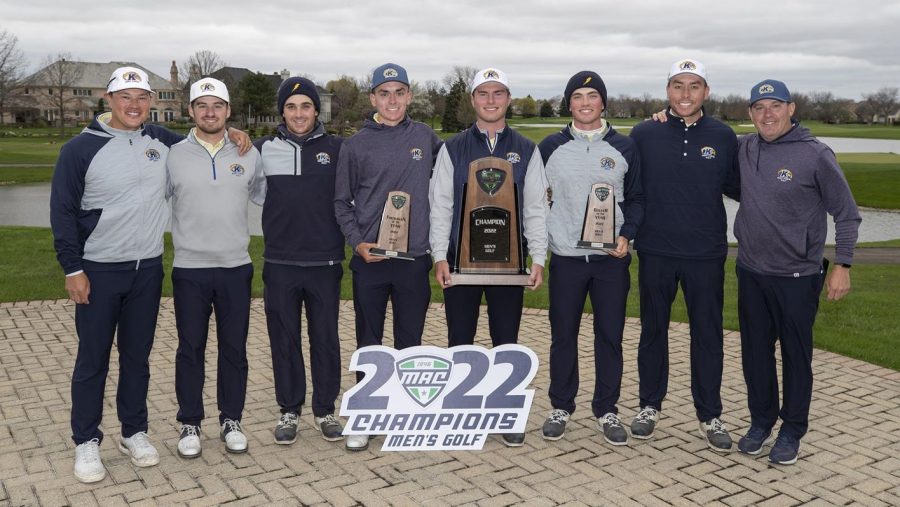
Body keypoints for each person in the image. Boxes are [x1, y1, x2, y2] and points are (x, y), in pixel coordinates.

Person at [50, 66, 250, 483]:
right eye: (126, 97)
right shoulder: (79, 149)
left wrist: (236, 136)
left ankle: (133, 431)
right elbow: (63, 212)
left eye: (142, 97)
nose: (134, 105)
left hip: (147, 269)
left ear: (152, 103)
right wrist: (72, 267)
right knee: (93, 359)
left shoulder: (161, 141)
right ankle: (86, 440)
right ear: (109, 100)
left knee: (137, 358)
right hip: (99, 269)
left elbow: (205, 140)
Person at [735, 79, 860, 465]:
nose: (767, 114)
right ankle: (761, 422)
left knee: (795, 356)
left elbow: (847, 214)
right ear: (750, 114)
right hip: (751, 271)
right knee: (755, 354)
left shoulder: (815, 155)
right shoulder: (745, 147)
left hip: (797, 276)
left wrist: (842, 265)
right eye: (759, 108)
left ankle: (792, 430)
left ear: (791, 109)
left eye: (775, 106)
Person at [429, 67, 548, 447]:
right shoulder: (453, 147)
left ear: (508, 99)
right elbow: (440, 206)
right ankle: (460, 412)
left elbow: (535, 209)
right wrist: (439, 256)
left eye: (498, 93)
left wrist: (539, 257)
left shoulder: (528, 149)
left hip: (508, 267)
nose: (491, 100)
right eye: (483, 93)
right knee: (460, 339)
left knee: (506, 340)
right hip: (461, 265)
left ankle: (505, 412)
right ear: (473, 100)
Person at [628, 59, 741, 452]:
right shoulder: (644, 133)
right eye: (678, 86)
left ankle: (710, 414)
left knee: (707, 335)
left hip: (705, 253)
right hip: (656, 249)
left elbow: (743, 188)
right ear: (667, 90)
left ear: (706, 92)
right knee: (652, 332)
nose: (686, 94)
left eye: (694, 86)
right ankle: (648, 406)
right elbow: (627, 187)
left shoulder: (725, 136)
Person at [334, 63, 442, 451]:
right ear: (373, 98)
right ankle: (366, 412)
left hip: (413, 258)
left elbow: (449, 185)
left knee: (410, 340)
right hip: (371, 259)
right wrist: (357, 242)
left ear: (410, 96)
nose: (392, 100)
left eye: (399, 92)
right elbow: (342, 202)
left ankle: (404, 411)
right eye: (384, 92)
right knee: (369, 340)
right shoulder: (355, 145)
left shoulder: (427, 138)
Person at [538, 71, 644, 446]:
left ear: (603, 102)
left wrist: (626, 234)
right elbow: (536, 201)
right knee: (563, 335)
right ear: (569, 103)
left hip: (610, 261)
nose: (585, 103)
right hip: (567, 258)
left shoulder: (624, 147)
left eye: (592, 96)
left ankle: (607, 408)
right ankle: (561, 406)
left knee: (609, 335)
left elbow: (636, 200)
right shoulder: (549, 146)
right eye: (578, 96)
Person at [166, 78, 264, 458]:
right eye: (202, 105)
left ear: (228, 111)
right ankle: (190, 422)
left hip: (235, 267)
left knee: (234, 349)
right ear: (190, 111)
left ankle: (231, 419)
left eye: (217, 106)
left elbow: (267, 196)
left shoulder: (248, 153)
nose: (210, 112)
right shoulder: (173, 154)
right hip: (190, 268)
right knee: (190, 349)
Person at [254, 77, 346, 446]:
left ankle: (325, 409)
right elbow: (253, 191)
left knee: (324, 338)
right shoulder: (260, 149)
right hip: (280, 261)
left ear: (316, 110)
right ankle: (289, 409)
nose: (298, 113)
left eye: (305, 106)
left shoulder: (338, 149)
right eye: (291, 107)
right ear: (282, 111)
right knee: (284, 339)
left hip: (325, 260)